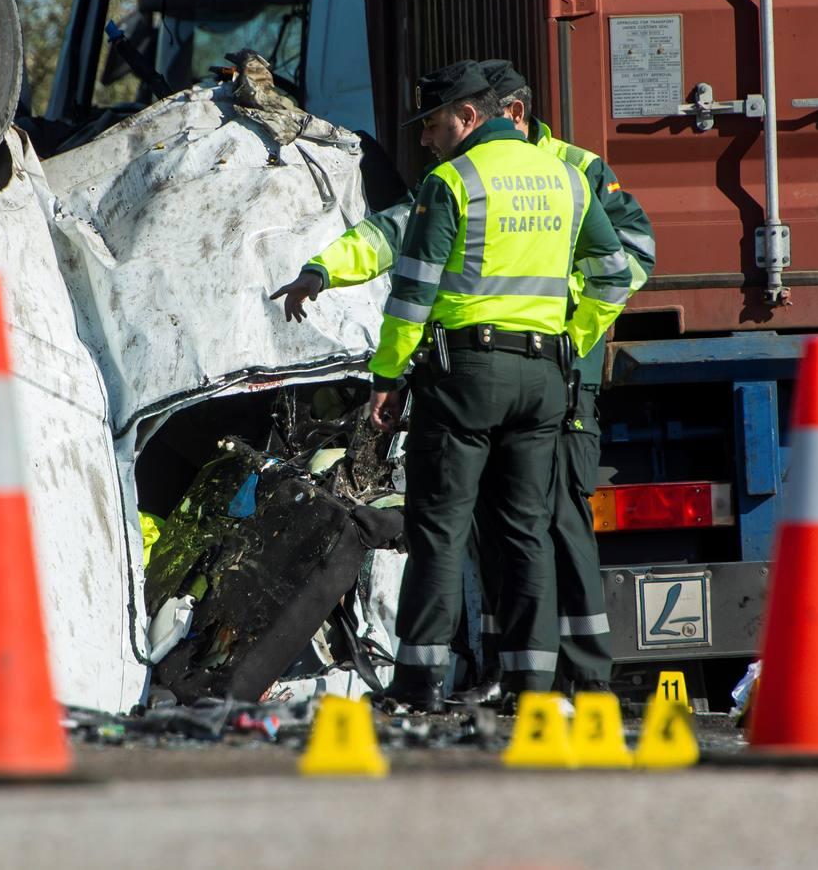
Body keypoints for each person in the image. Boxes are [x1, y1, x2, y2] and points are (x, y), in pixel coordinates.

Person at [272, 60, 653, 705]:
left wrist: (387, 378)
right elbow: (617, 271)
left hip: (466, 376)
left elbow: (411, 295)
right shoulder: (568, 178)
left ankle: (419, 683)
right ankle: (533, 685)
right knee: (528, 529)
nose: (424, 139)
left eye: (433, 123)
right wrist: (572, 340)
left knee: (441, 528)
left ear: (471, 116)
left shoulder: (454, 181)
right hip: (544, 376)